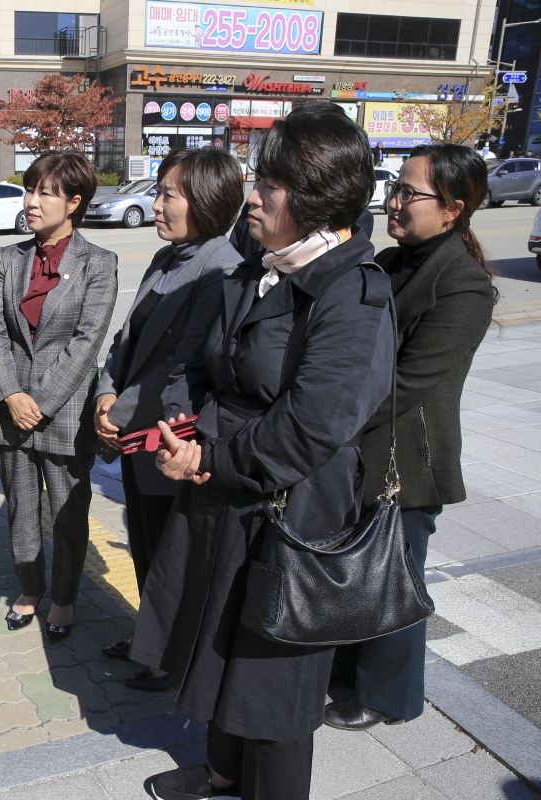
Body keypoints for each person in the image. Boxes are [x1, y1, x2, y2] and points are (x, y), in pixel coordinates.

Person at [137, 103, 396, 800]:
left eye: (271, 186)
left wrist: (210, 459)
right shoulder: (257, 267)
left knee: (275, 680)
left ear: (314, 199)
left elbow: (315, 424)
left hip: (291, 512)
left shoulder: (353, 290)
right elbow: (198, 364)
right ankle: (224, 774)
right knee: (219, 646)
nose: (253, 196)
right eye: (261, 179)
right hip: (223, 491)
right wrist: (180, 425)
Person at [326, 144, 496, 730]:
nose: (394, 200)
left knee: (393, 582)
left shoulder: (462, 284)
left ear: (452, 209)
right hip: (361, 447)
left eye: (409, 192)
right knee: (357, 574)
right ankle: (346, 676)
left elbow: (408, 382)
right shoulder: (395, 261)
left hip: (406, 460)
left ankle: (390, 697)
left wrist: (324, 414)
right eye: (393, 187)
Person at [92, 147, 244, 672]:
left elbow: (183, 365)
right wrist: (104, 392)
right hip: (136, 428)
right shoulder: (166, 258)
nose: (155, 205)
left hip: (169, 434)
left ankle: (172, 659)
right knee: (145, 541)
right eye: (158, 193)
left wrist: (119, 412)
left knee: (170, 555)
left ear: (205, 199)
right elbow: (127, 340)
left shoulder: (221, 269)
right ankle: (150, 639)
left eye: (167, 195)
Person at [0, 151, 118, 642]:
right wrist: (12, 394)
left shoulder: (100, 263)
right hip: (11, 408)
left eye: (45, 192)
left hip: (65, 412)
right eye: (29, 189)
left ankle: (63, 598)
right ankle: (29, 588)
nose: (32, 201)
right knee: (21, 507)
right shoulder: (9, 258)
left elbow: (88, 342)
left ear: (74, 202)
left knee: (67, 515)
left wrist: (38, 402)